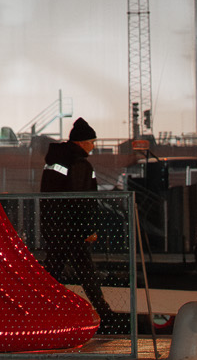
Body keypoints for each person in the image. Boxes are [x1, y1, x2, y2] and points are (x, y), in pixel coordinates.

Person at [39, 117, 114, 321]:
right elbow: (82, 200)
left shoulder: (54, 161)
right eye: (92, 142)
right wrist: (88, 229)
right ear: (81, 143)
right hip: (72, 229)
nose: (93, 146)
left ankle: (41, 309)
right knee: (86, 271)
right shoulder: (80, 164)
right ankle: (105, 315)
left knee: (53, 270)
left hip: (55, 226)